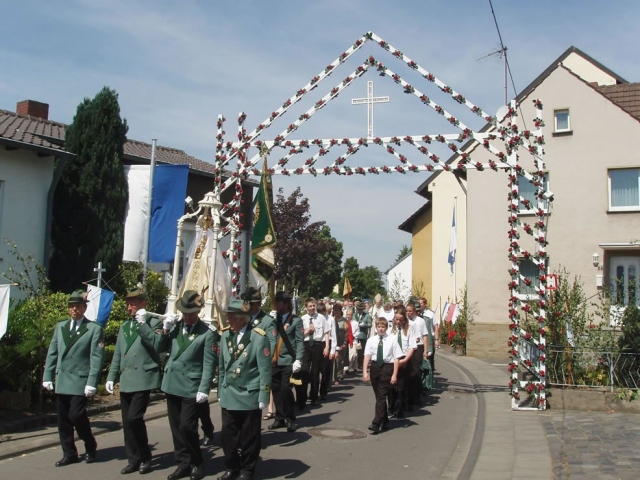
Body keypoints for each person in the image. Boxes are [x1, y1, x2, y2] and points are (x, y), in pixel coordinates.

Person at [148, 290, 217, 480]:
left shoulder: (207, 333)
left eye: (191, 312)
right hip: (172, 384)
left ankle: (197, 462)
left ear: (198, 312)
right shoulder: (176, 327)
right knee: (177, 427)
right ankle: (182, 463)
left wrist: (204, 389)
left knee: (188, 427)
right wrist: (165, 330)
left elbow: (209, 363)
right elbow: (159, 348)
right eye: (185, 312)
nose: (187, 316)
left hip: (191, 386)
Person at [42, 290, 104, 467]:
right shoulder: (60, 327)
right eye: (71, 306)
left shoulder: (93, 328)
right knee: (63, 420)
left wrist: (92, 382)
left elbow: (96, 357)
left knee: (76, 415)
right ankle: (69, 453)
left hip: (80, 381)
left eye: (78, 306)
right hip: (62, 379)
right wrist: (48, 375)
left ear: (84, 308)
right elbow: (52, 353)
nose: (74, 309)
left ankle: (90, 444)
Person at [105, 286, 162, 475]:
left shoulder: (152, 322)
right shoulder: (125, 326)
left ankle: (145, 456)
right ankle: (133, 459)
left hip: (144, 378)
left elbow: (156, 345)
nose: (129, 307)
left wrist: (143, 324)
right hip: (127, 378)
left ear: (143, 304)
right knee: (127, 423)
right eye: (128, 304)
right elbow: (119, 355)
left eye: (133, 304)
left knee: (134, 418)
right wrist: (111, 377)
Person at [217, 299, 272, 480]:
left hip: (249, 395)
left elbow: (265, 370)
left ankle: (247, 470)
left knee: (249, 437)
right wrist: (220, 391)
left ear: (242, 319)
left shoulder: (258, 337)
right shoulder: (225, 336)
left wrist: (264, 395)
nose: (228, 320)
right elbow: (223, 367)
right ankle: (232, 467)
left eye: (231, 317)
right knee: (228, 436)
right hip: (229, 394)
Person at [269, 291, 304, 433]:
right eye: (276, 301)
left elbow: (299, 342)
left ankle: (290, 418)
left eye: (280, 302)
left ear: (286, 304)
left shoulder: (296, 321)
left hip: (288, 360)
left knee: (286, 389)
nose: (277, 304)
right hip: (274, 361)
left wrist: (299, 359)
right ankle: (279, 418)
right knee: (276, 390)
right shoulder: (272, 319)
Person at [240, 286, 277, 421]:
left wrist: (265, 362)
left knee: (252, 405)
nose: (247, 306)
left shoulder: (267, 321)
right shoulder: (243, 318)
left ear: (257, 304)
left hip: (255, 365)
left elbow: (271, 344)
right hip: (241, 363)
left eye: (250, 303)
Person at [362, 317, 402, 435]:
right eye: (379, 326)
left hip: (387, 367)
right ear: (376, 327)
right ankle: (384, 420)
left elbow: (396, 358)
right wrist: (365, 371)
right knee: (378, 396)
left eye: (383, 327)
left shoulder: (392, 340)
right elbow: (367, 356)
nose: (381, 329)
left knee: (381, 395)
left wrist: (394, 374)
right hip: (375, 368)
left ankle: (376, 423)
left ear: (386, 327)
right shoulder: (371, 340)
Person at [298, 297, 329, 407]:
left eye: (313, 306)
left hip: (317, 345)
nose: (312, 308)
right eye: (310, 306)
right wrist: (308, 331)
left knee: (315, 372)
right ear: (306, 307)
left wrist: (327, 347)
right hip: (306, 345)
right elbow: (300, 336)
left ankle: (314, 397)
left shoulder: (321, 317)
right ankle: (302, 397)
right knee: (304, 371)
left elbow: (326, 333)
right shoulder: (302, 319)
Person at [389, 306, 416, 419]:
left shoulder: (409, 329)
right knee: (391, 386)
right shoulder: (390, 329)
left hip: (404, 358)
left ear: (404, 319)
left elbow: (412, 347)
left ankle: (399, 411)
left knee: (401, 387)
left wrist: (405, 360)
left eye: (400, 320)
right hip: (392, 359)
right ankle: (391, 408)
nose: (398, 322)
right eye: (396, 319)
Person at [406, 301, 429, 408]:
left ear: (415, 311)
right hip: (408, 347)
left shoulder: (420, 321)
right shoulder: (405, 321)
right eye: (407, 311)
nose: (408, 313)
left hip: (418, 347)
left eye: (410, 311)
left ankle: (416, 396)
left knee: (416, 370)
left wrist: (425, 350)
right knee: (408, 370)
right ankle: (409, 395)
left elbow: (425, 336)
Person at [317, 302, 336, 399]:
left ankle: (323, 391)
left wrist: (333, 350)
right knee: (316, 370)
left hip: (328, 343)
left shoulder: (331, 319)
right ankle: (313, 391)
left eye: (323, 313)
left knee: (325, 371)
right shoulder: (317, 318)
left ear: (325, 311)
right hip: (318, 344)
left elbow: (333, 335)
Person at [331, 303, 349, 384]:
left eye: (337, 310)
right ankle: (334, 378)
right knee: (334, 361)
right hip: (333, 342)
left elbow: (347, 332)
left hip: (341, 342)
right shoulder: (331, 319)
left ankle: (338, 376)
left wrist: (345, 342)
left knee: (339, 361)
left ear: (340, 311)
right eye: (334, 310)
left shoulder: (344, 320)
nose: (336, 312)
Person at [353, 299, 372, 369]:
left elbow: (370, 324)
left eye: (361, 309)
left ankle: (360, 363)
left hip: (362, 334)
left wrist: (364, 325)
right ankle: (354, 364)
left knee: (361, 350)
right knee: (355, 350)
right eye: (358, 309)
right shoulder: (354, 315)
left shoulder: (366, 315)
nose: (359, 311)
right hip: (355, 335)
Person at [346, 307, 359, 373]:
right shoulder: (344, 322)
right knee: (348, 355)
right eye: (347, 314)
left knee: (354, 354)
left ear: (352, 315)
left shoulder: (355, 323)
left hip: (353, 340)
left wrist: (353, 336)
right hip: (346, 340)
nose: (348, 316)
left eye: (350, 315)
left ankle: (354, 367)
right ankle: (347, 368)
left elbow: (358, 332)